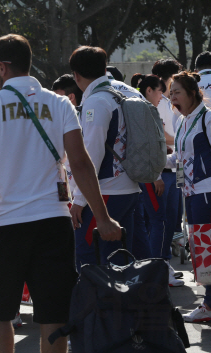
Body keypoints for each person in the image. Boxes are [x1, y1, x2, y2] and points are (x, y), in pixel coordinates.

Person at [0, 34, 120, 353]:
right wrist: (102, 218)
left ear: (2, 68)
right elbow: (81, 164)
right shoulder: (59, 103)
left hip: (5, 224)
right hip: (53, 221)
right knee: (54, 312)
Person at [165, 71, 211, 323]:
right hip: (189, 193)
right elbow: (179, 159)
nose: (172, 98)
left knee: (210, 247)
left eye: (177, 92)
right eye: (171, 93)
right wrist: (157, 160)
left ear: (192, 93)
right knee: (200, 248)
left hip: (208, 192)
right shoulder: (182, 121)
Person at [69, 46, 140, 267]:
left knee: (88, 257)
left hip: (106, 191)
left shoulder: (96, 102)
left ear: (76, 75)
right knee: (118, 258)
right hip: (127, 187)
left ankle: (100, 303)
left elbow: (92, 155)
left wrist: (79, 200)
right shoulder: (118, 95)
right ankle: (120, 301)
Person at [130, 73, 183, 286]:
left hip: (166, 173)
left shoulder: (148, 107)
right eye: (161, 91)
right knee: (157, 222)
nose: (163, 96)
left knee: (166, 222)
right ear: (149, 90)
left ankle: (161, 266)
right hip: (154, 175)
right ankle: (156, 268)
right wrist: (157, 175)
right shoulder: (143, 108)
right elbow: (149, 144)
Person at [151, 59, 185, 239]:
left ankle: (170, 247)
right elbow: (161, 135)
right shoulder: (156, 102)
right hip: (162, 168)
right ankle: (162, 256)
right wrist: (183, 140)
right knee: (162, 218)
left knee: (174, 216)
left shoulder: (168, 101)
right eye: (175, 77)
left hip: (174, 166)